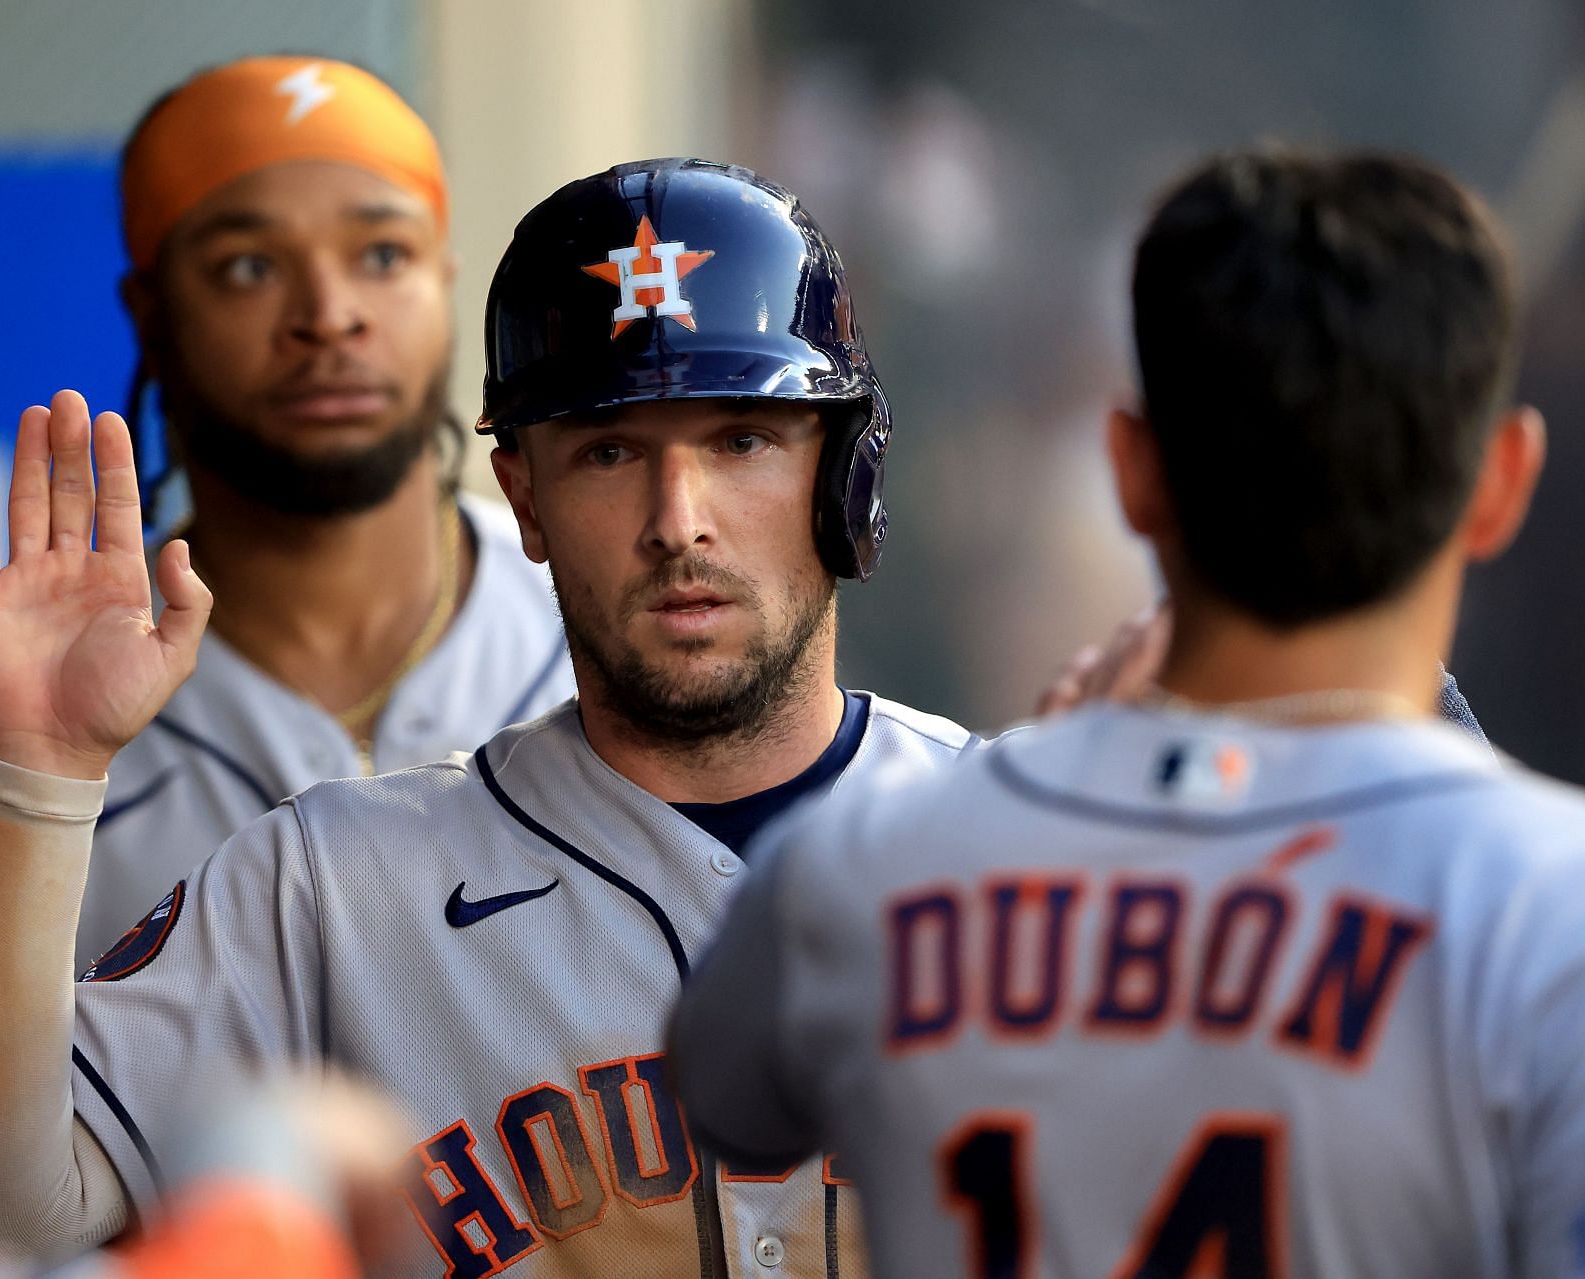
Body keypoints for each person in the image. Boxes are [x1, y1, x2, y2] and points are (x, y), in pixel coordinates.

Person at [0, 158, 973, 1275]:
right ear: (527, 499)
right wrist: (39, 768)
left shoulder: (1014, 852)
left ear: (843, 473)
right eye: (608, 452)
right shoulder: (329, 886)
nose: (677, 522)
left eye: (740, 440)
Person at [668, 148, 1582, 1277]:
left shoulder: (860, 864)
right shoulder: (1554, 912)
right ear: (1502, 484)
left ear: (1131, 468)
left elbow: (727, 1099)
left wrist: (1037, 779)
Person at [0, 55, 569, 1154]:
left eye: (382, 254)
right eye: (249, 265)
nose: (329, 315)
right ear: (147, 312)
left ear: (446, 278)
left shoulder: (598, 642)